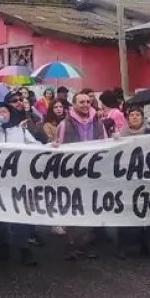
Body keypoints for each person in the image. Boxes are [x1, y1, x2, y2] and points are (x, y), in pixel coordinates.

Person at [0, 102, 40, 266]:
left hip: (20, 180)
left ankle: (23, 247)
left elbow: (36, 146)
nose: (2, 114)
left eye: (5, 111)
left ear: (10, 113)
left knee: (22, 213)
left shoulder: (20, 131)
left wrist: (51, 147)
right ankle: (3, 245)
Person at [55, 92, 108, 259]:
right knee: (72, 209)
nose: (86, 104)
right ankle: (71, 246)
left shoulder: (99, 123)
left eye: (88, 101)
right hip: (72, 173)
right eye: (82, 102)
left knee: (89, 209)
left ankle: (85, 245)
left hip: (92, 173)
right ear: (74, 104)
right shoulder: (64, 125)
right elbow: (59, 148)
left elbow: (106, 146)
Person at [115, 106, 150, 258]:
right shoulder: (120, 136)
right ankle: (123, 245)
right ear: (127, 119)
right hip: (127, 180)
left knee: (146, 211)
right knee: (126, 211)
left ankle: (147, 243)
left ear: (142, 118)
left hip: (147, 179)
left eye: (137, 115)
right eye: (131, 115)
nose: (134, 117)